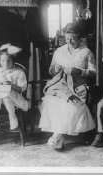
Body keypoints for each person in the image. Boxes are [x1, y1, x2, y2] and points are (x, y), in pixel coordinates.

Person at [39, 21, 96, 150]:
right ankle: (59, 137)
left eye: (73, 38)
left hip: (78, 86)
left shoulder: (86, 52)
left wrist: (79, 71)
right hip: (60, 84)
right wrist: (56, 68)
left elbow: (94, 73)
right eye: (67, 38)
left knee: (71, 106)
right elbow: (51, 71)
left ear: (80, 38)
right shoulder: (59, 51)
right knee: (50, 102)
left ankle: (57, 136)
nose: (69, 41)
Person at [0, 44, 29, 130]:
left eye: (8, 60)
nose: (6, 63)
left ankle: (12, 116)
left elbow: (22, 88)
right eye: (3, 60)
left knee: (7, 96)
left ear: (13, 61)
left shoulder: (18, 72)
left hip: (14, 99)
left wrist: (10, 85)